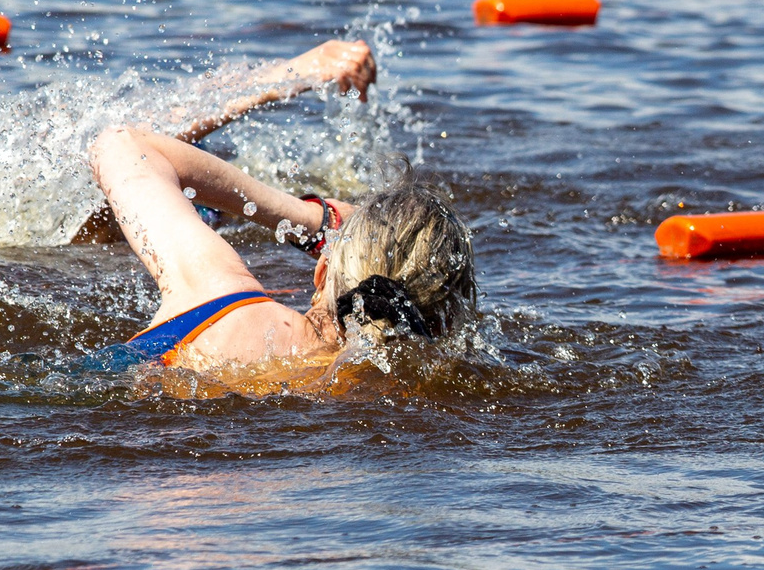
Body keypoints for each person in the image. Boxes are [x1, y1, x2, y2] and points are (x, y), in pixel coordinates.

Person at [83, 39, 475, 379]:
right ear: (447, 323)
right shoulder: (419, 394)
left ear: (323, 272)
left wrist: (313, 219)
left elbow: (120, 145)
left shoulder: (222, 301)